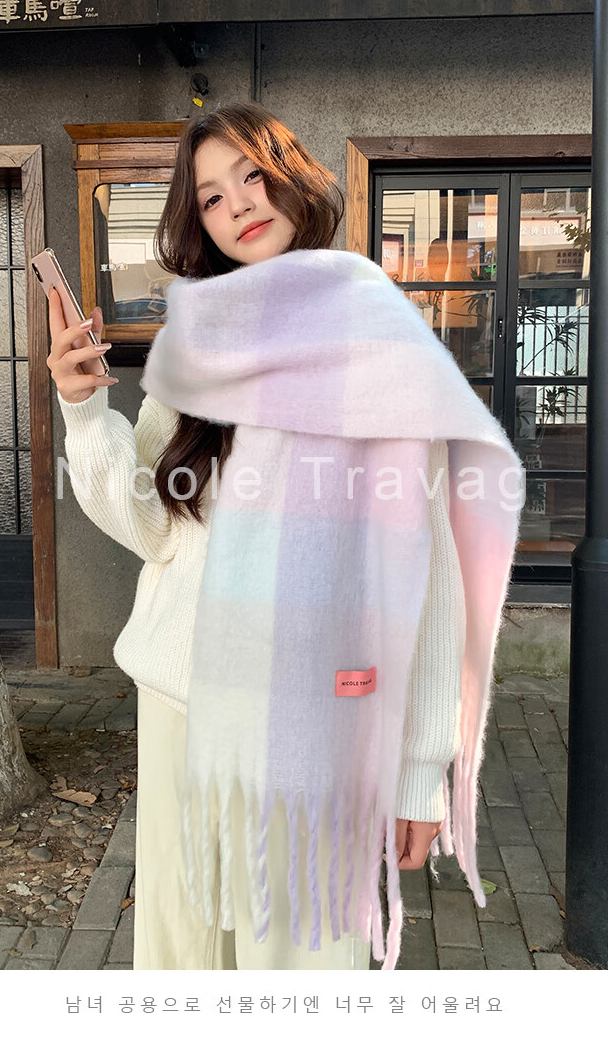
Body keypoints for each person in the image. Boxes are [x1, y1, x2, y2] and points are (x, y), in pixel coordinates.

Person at [47, 101, 475, 970]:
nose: (239, 202)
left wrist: (419, 771)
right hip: (183, 711)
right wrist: (84, 410)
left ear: (296, 182)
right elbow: (152, 527)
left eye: (252, 175)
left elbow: (428, 578)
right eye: (211, 196)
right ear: (198, 223)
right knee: (182, 964)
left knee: (302, 969)